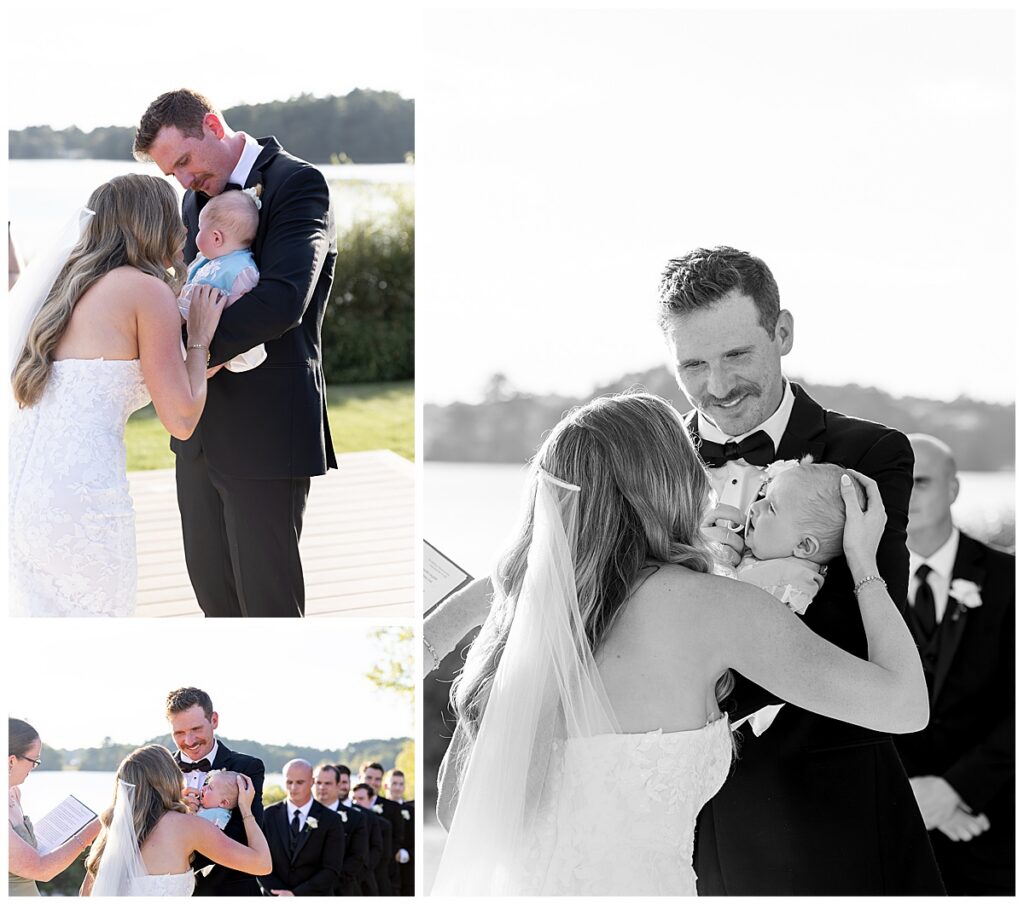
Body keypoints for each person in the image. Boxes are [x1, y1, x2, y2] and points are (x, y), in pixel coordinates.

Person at [430, 391, 928, 895]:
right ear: (673, 481)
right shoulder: (716, 607)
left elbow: (459, 816)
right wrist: (865, 563)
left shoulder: (530, 622)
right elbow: (905, 708)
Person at [134, 88, 338, 617]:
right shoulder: (193, 197)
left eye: (184, 161)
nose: (182, 180)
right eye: (170, 173)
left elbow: (282, 301)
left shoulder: (298, 183)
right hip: (198, 430)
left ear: (213, 126)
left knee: (268, 606)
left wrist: (190, 356)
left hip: (267, 430)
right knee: (213, 600)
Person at [8, 175, 226, 616]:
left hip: (17, 488)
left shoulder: (67, 283)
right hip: (82, 494)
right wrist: (200, 336)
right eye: (175, 218)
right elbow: (181, 419)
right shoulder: (145, 290)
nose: (185, 230)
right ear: (151, 223)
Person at [893, 434, 1014, 895]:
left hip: (987, 823)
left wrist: (954, 790)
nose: (907, 495)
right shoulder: (856, 584)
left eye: (921, 482)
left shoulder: (1010, 581)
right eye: (898, 482)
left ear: (954, 490)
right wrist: (903, 795)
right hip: (889, 822)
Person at [81, 745, 270, 896]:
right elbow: (262, 865)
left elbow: (86, 894)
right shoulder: (188, 826)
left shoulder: (112, 832)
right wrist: (246, 809)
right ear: (169, 778)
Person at [166, 686, 266, 895]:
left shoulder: (248, 768)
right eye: (179, 733)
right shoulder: (158, 770)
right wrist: (175, 812)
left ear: (214, 720)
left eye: (196, 729)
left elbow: (245, 836)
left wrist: (189, 827)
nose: (189, 741)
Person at [177, 189, 267, 374]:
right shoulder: (206, 259)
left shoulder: (242, 270)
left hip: (215, 339)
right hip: (186, 327)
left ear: (216, 237)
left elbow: (240, 316)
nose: (194, 233)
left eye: (201, 229)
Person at [9, 719, 101, 896]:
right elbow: (41, 870)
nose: (34, 767)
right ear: (11, 760)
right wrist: (95, 828)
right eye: (33, 760)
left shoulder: (14, 793)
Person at [259, 760, 345, 896]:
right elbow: (259, 861)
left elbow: (331, 868)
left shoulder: (331, 820)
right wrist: (279, 894)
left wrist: (296, 895)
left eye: (299, 782)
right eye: (289, 782)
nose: (293, 788)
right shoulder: (267, 815)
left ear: (312, 782)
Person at [312, 763, 370, 895]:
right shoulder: (302, 815)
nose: (322, 787)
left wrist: (323, 883)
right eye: (318, 782)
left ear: (338, 786)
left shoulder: (356, 818)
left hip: (341, 890)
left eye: (328, 783)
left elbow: (357, 857)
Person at [359, 761, 406, 889]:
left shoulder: (393, 808)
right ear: (360, 777)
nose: (373, 782)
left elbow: (397, 840)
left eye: (377, 779)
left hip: (382, 875)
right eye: (369, 778)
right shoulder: (350, 807)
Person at [352, 783, 393, 895]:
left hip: (371, 878)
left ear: (370, 800)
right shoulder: (347, 821)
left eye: (361, 799)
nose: (356, 802)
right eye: (354, 799)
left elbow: (383, 854)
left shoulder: (383, 825)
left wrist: (363, 869)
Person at [385, 769, 414, 896]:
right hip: (386, 866)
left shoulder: (412, 810)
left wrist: (409, 853)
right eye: (394, 783)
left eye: (401, 784)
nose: (398, 787)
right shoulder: (381, 809)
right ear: (386, 785)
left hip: (408, 867)